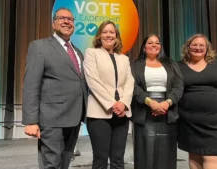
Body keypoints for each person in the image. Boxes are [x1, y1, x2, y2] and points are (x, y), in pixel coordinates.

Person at [22, 7, 87, 169]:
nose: (66, 21)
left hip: (74, 118)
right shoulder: (39, 47)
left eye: (70, 19)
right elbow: (31, 84)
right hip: (51, 120)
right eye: (62, 18)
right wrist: (31, 121)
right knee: (51, 164)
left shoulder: (78, 52)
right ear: (53, 24)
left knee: (64, 162)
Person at [83, 21, 134, 169]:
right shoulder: (91, 53)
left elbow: (129, 82)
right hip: (100, 114)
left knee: (118, 161)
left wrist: (123, 103)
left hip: (122, 114)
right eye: (105, 32)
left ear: (117, 37)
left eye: (112, 32)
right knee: (100, 160)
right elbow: (93, 81)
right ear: (99, 36)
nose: (108, 35)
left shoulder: (123, 58)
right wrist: (113, 104)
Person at [177, 34, 217, 169]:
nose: (198, 48)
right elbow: (175, 89)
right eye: (194, 45)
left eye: (202, 45)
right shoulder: (178, 66)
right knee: (195, 155)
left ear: (207, 48)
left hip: (214, 120)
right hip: (189, 121)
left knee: (213, 157)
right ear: (187, 48)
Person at [130, 34, 184, 169]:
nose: (154, 45)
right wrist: (150, 102)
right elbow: (132, 86)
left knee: (166, 154)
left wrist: (167, 103)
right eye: (150, 43)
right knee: (144, 155)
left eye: (157, 43)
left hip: (168, 111)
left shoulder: (172, 64)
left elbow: (179, 86)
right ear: (143, 48)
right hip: (143, 111)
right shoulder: (134, 65)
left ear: (161, 47)